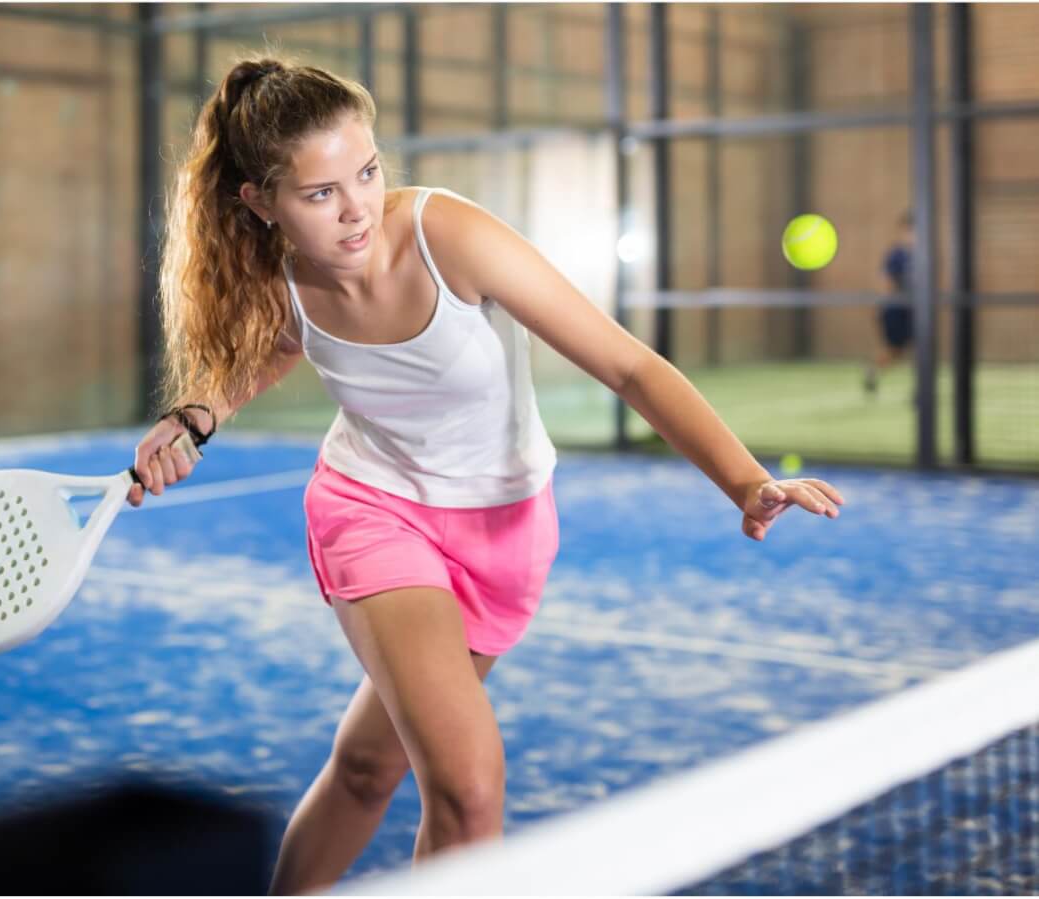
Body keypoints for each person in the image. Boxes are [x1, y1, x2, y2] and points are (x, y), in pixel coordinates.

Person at [125, 58, 846, 894]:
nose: (356, 207)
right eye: (321, 194)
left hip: (507, 531)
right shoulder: (282, 276)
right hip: (373, 513)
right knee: (469, 792)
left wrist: (745, 480)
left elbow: (628, 365)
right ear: (261, 201)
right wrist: (197, 413)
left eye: (366, 172)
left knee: (367, 768)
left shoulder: (449, 236)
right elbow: (282, 344)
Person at [865, 210, 915, 396]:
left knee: (922, 347)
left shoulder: (923, 255)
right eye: (911, 231)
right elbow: (886, 282)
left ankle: (919, 391)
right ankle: (872, 371)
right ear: (903, 231)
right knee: (895, 351)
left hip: (914, 310)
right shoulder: (896, 255)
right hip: (895, 310)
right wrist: (881, 306)